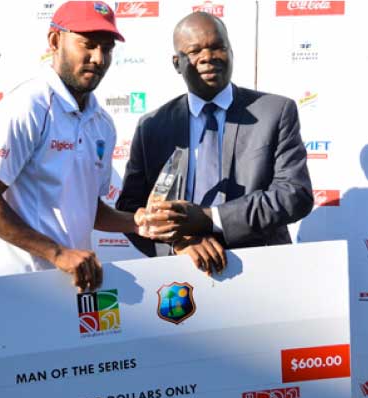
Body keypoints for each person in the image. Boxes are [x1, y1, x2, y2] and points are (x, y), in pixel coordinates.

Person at [0, 0, 144, 292]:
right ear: (54, 40)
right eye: (87, 44)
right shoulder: (28, 105)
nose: (98, 58)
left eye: (107, 48)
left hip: (73, 286)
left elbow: (90, 209)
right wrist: (57, 254)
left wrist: (138, 222)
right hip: (17, 288)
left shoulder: (102, 123)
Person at [116, 11, 313, 274]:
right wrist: (179, 246)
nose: (208, 57)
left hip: (262, 273)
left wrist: (211, 219)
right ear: (177, 63)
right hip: (181, 275)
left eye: (218, 47)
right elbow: (131, 211)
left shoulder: (275, 112)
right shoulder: (152, 125)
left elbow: (294, 194)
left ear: (231, 52)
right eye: (195, 51)